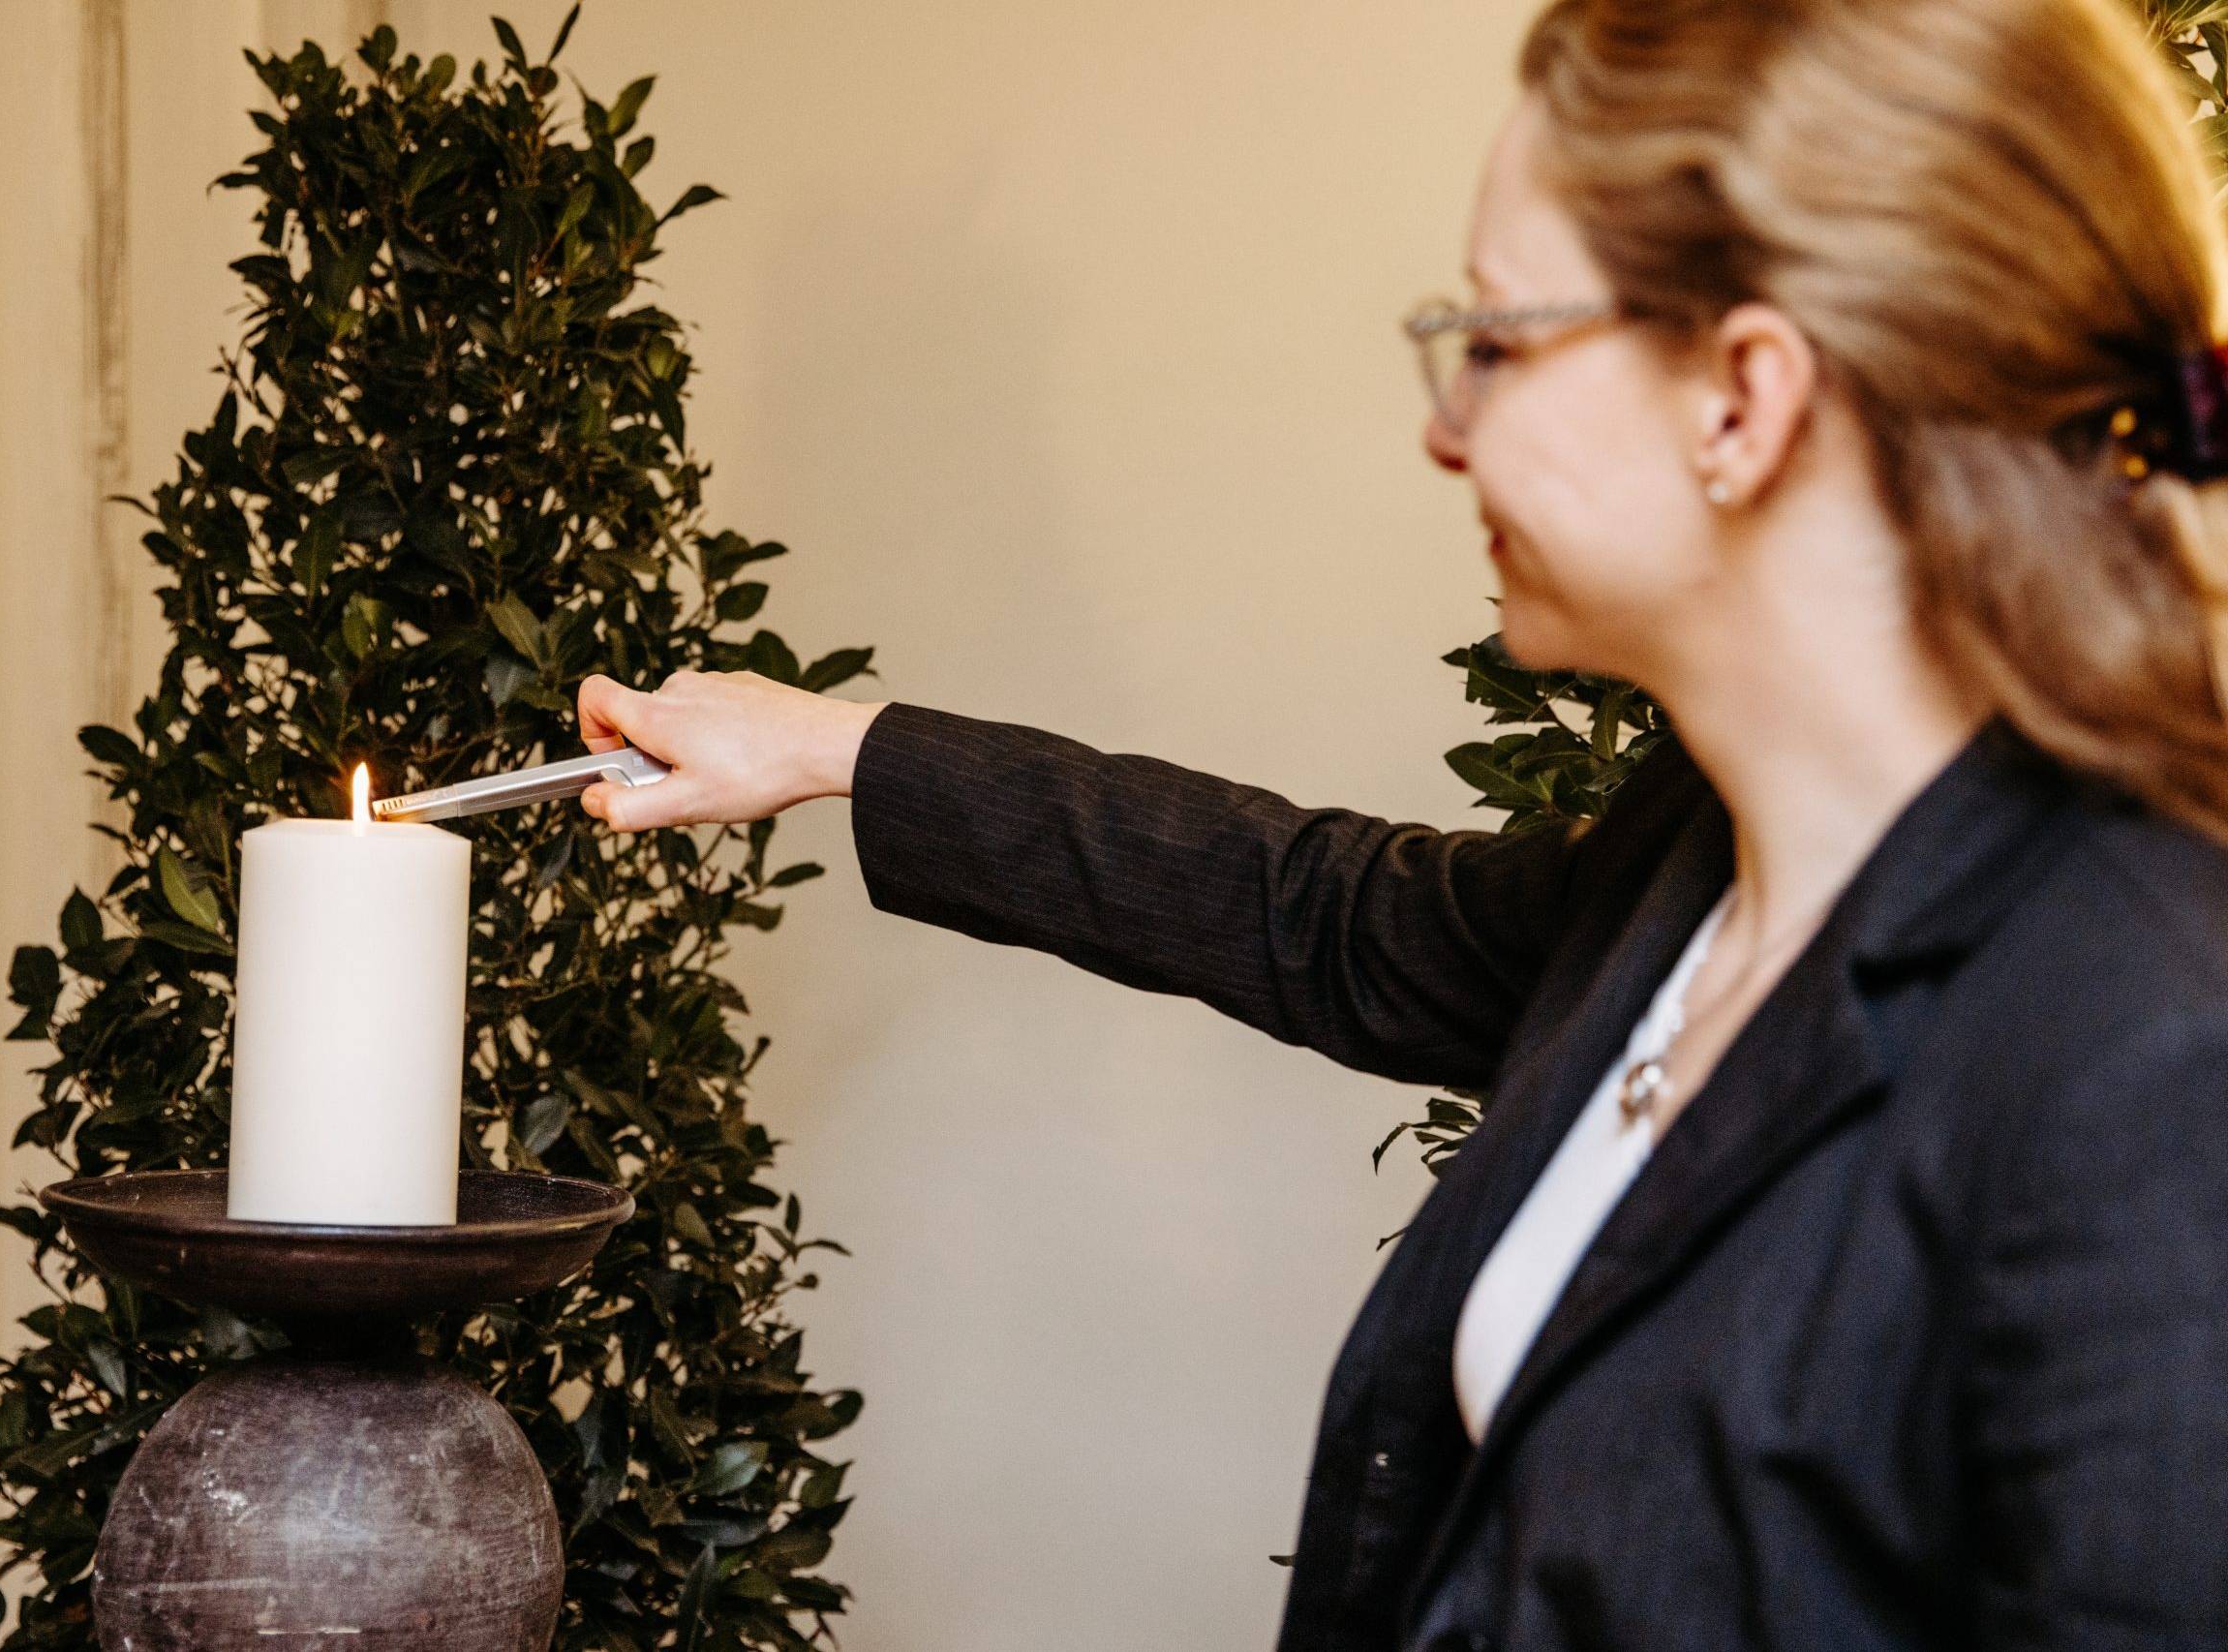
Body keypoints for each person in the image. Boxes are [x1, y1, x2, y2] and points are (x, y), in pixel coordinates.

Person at [568, 0, 2228, 1645]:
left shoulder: (2146, 1048)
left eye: (1496, 340)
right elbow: (1327, 913)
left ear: (1743, 395)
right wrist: (835, 745)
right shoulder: (1699, 861)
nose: (1447, 429)